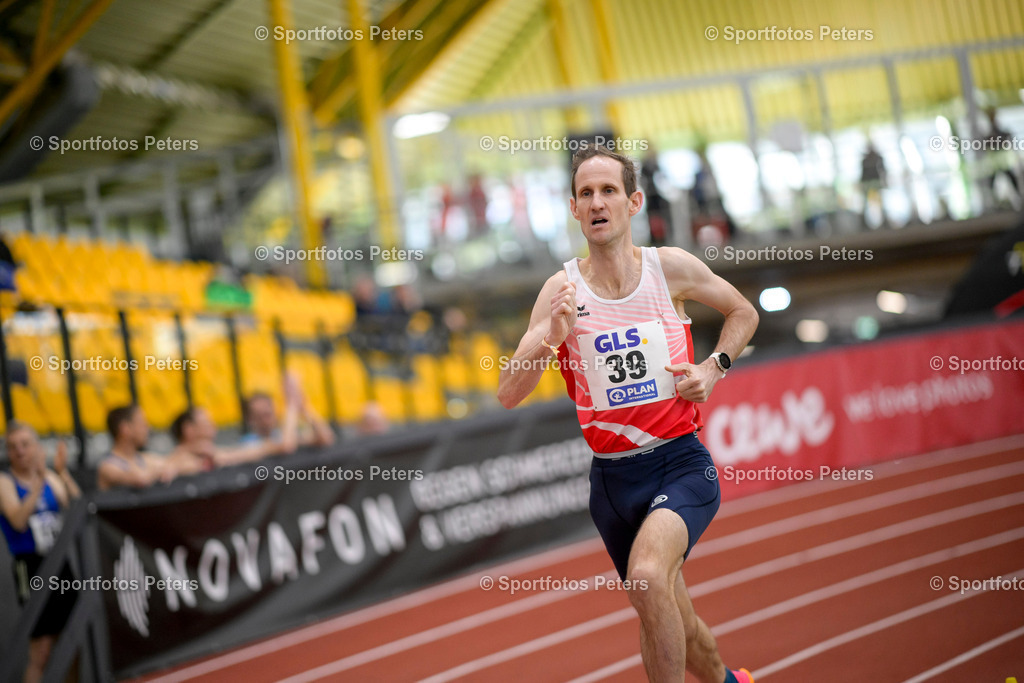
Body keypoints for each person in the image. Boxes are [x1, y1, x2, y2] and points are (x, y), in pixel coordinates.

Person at [497, 146, 758, 683]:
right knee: (681, 627)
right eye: (586, 193)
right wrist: (552, 339)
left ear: (633, 201)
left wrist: (714, 367)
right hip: (613, 485)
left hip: (680, 463)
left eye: (609, 190)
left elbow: (743, 311)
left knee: (645, 577)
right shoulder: (560, 291)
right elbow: (507, 390)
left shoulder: (670, 269)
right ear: (574, 209)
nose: (598, 202)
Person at [0, 423, 81, 683]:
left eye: (25, 444)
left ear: (36, 447)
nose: (20, 451)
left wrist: (62, 472)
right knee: (41, 649)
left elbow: (78, 505)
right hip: (31, 565)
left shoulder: (51, 478)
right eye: (13, 447)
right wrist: (36, 485)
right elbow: (18, 520)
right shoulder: (5, 482)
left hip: (59, 563)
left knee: (69, 641)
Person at [167, 405, 299, 474]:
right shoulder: (176, 460)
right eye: (207, 423)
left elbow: (281, 445)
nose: (214, 427)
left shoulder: (218, 455)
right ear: (189, 429)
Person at [240, 374, 334, 449]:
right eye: (261, 415)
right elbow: (286, 445)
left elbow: (325, 438)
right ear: (250, 419)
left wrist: (305, 408)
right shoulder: (249, 443)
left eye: (269, 413)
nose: (266, 419)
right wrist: (292, 403)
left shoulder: (279, 434)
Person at [97, 404, 174, 491]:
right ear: (125, 429)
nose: (148, 428)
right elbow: (140, 479)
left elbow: (173, 464)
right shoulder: (108, 466)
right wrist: (159, 471)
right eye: (142, 424)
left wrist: (169, 469)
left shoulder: (143, 458)